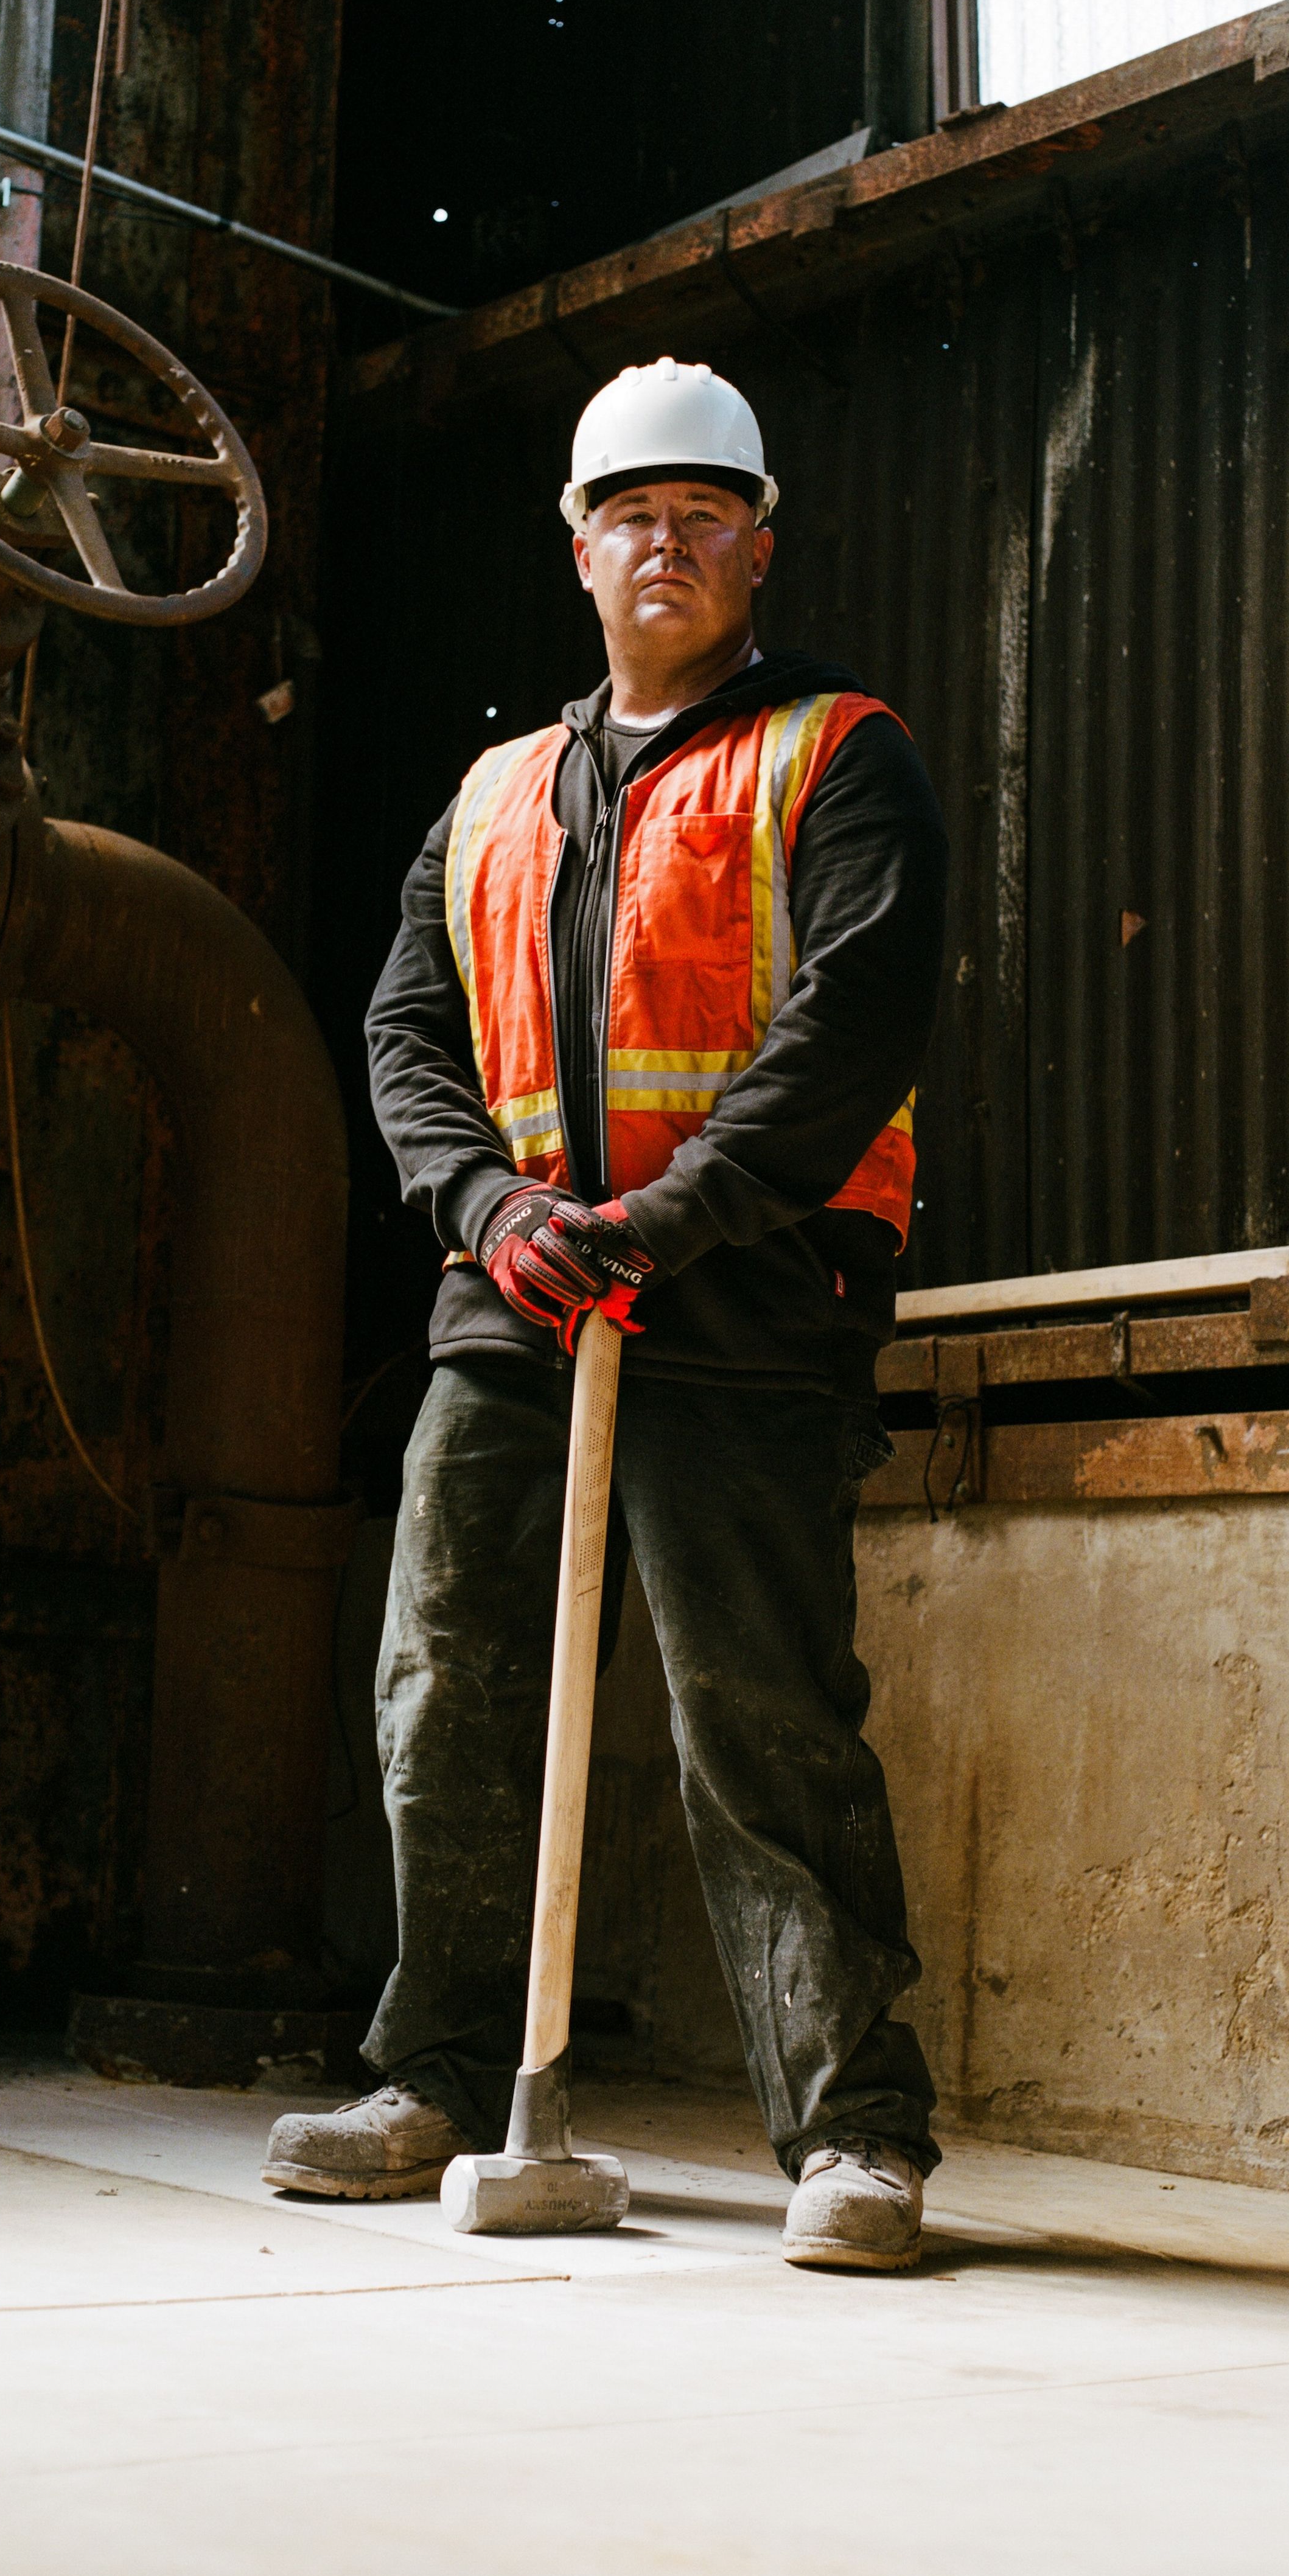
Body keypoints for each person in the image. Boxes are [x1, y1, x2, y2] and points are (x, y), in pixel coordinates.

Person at [265, 357, 949, 2269]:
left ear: (759, 542)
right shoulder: (490, 798)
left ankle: (855, 2133)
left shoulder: (837, 754)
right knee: (443, 1683)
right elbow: (408, 1036)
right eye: (627, 510)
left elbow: (857, 1021)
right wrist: (489, 1208)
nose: (664, 536)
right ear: (577, 549)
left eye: (700, 509)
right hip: (516, 1311)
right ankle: (436, 2076)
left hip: (741, 1298)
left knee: (761, 1713)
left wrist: (673, 1212)